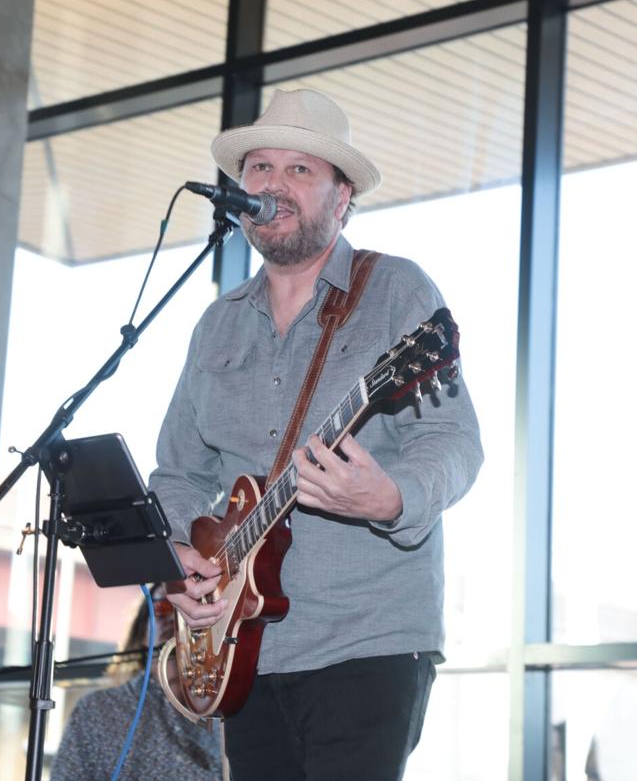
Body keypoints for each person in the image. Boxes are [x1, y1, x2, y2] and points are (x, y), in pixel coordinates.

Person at [149, 88, 483, 780]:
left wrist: (390, 498)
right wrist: (185, 552)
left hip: (369, 639)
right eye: (260, 168)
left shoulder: (396, 292)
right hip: (243, 648)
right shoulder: (218, 324)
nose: (274, 184)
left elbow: (454, 441)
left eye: (300, 170)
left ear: (343, 195)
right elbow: (177, 473)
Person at [50, 589, 223, 781]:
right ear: (142, 633)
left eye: (185, 607)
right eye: (162, 607)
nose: (172, 616)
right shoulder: (98, 710)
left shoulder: (227, 706)